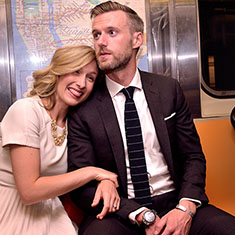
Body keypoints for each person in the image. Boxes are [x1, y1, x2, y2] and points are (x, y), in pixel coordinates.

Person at [67, 1, 235, 235]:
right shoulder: (84, 105)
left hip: (175, 201)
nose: (101, 42)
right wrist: (139, 214)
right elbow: (80, 183)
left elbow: (193, 156)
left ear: (137, 40)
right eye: (96, 34)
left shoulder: (168, 90)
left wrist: (185, 208)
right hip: (121, 210)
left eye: (111, 32)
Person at [0, 45, 120, 235]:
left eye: (90, 78)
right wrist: (92, 173)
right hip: (12, 213)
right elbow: (29, 192)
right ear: (59, 71)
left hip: (51, 213)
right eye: (76, 71)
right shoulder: (26, 111)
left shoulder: (75, 122)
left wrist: (104, 181)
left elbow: (96, 170)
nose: (82, 83)